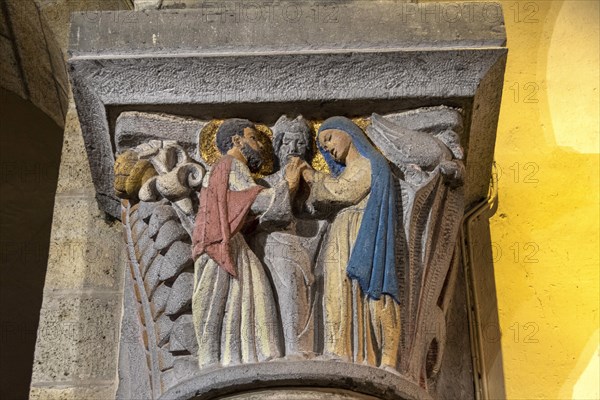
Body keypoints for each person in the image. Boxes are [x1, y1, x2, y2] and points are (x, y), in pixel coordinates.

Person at [191, 118, 304, 369]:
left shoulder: (222, 167)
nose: (259, 146)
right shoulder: (231, 165)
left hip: (219, 243)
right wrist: (289, 185)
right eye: (252, 138)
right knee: (241, 297)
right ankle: (245, 359)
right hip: (222, 245)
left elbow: (239, 204)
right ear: (236, 140)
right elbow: (255, 200)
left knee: (231, 300)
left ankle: (230, 359)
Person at [292, 116, 402, 370]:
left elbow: (345, 191)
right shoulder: (354, 167)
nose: (327, 148)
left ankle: (362, 355)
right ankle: (339, 349)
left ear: (349, 131)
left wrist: (310, 174)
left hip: (359, 233)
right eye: (322, 146)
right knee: (335, 289)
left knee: (352, 288)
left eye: (328, 138)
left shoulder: (370, 163)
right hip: (342, 231)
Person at [250, 115, 327, 359]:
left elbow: (328, 207)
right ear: (277, 147)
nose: (293, 150)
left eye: (300, 144)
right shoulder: (267, 183)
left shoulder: (313, 180)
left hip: (307, 249)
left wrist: (313, 183)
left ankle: (303, 351)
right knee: (282, 296)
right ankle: (292, 352)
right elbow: (267, 216)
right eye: (286, 143)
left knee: (306, 294)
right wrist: (289, 186)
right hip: (273, 246)